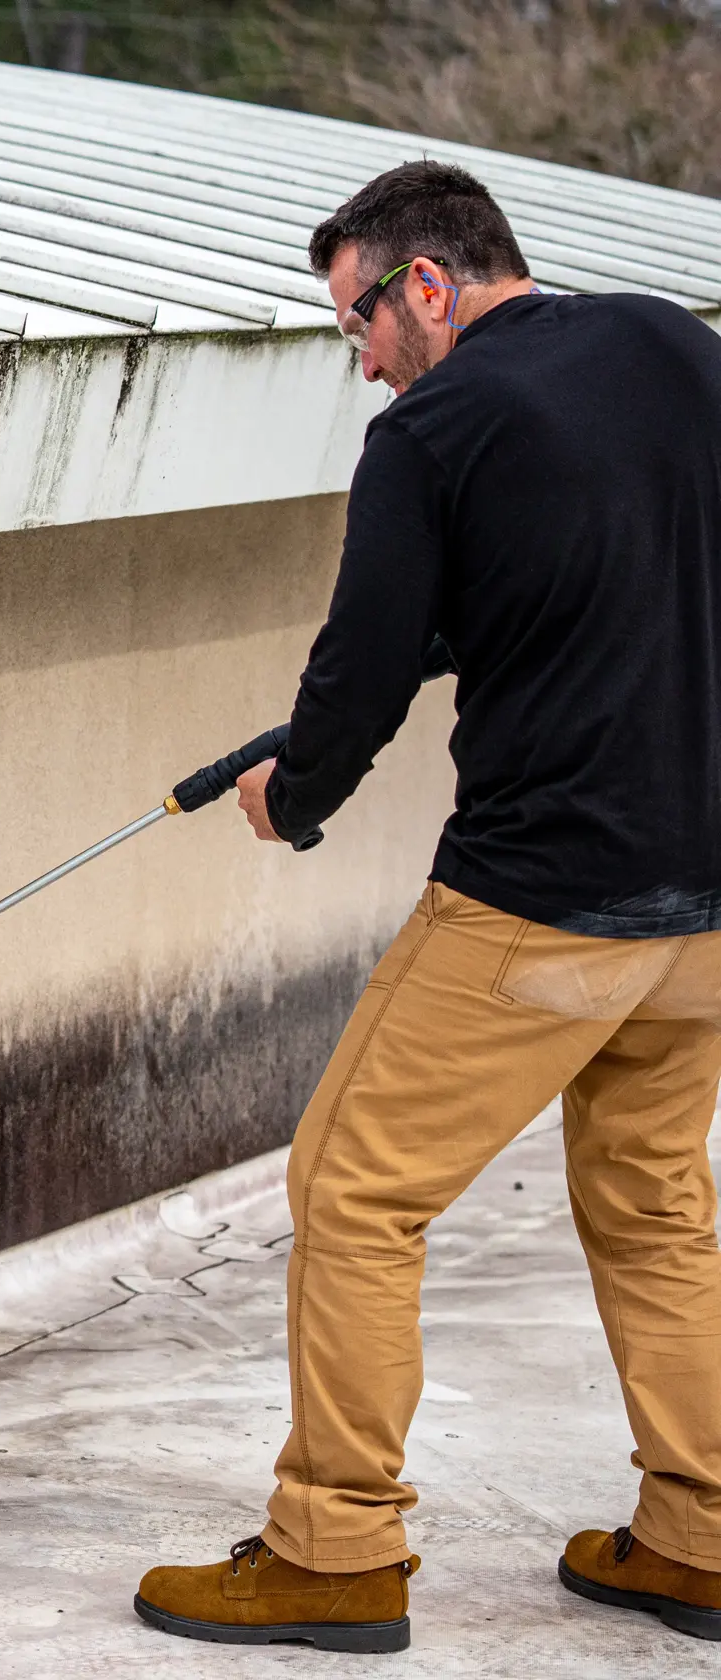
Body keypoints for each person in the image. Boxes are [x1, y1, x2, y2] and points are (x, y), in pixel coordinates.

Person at [132, 160, 721, 1652]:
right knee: (655, 1204)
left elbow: (363, 669)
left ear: (430, 285)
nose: (365, 362)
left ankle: (332, 1551)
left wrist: (296, 795)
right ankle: (705, 1538)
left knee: (352, 1188)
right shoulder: (676, 346)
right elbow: (612, 576)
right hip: (709, 907)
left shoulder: (432, 432)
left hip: (546, 902)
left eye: (359, 322)